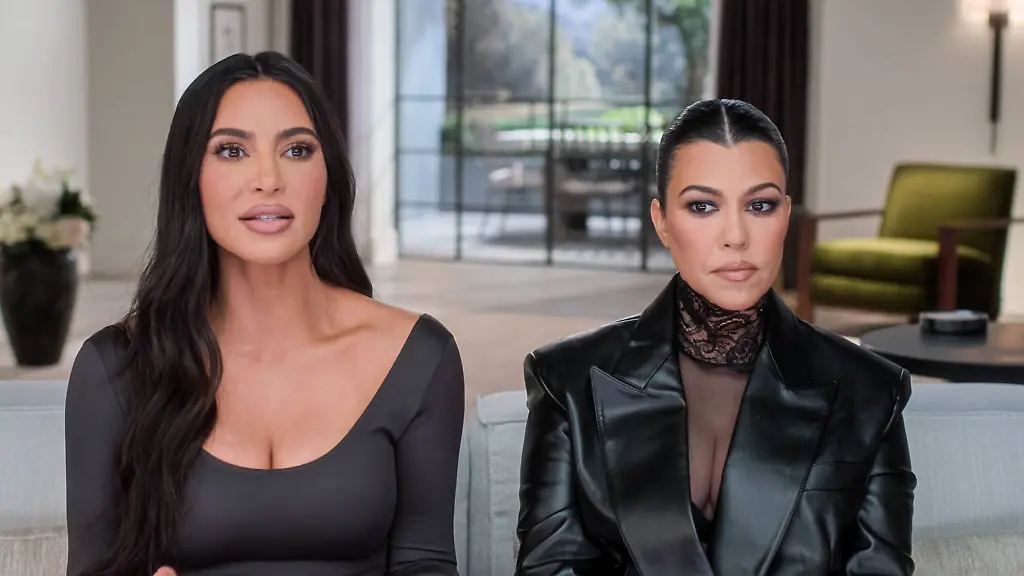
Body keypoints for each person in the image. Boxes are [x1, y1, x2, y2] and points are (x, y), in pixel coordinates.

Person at [64, 51, 465, 576]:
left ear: (328, 177)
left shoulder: (418, 357)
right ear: (190, 178)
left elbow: (425, 564)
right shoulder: (114, 368)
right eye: (232, 151)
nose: (268, 179)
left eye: (296, 150)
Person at [514, 99, 916, 575]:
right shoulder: (566, 379)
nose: (736, 236)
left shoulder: (871, 390)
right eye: (702, 206)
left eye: (759, 205)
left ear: (786, 215)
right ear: (662, 221)